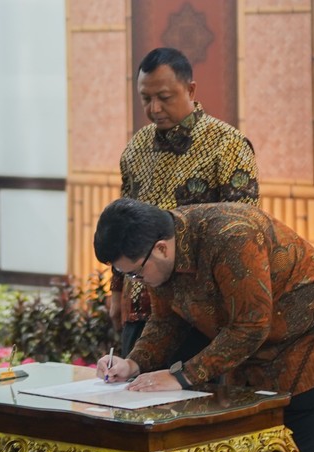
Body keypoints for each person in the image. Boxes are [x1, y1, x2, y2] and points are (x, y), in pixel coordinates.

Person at [94, 198, 314, 452]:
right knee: (248, 450)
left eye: (136, 274)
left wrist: (181, 376)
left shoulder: (233, 236)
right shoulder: (159, 253)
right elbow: (166, 320)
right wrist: (133, 363)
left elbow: (250, 326)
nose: (137, 281)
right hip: (253, 350)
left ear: (161, 249)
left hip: (310, 337)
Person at [110, 47, 259, 359]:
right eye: (146, 98)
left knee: (191, 388)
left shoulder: (227, 145)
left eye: (164, 97)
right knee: (133, 385)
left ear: (190, 90)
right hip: (142, 306)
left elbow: (245, 233)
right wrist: (117, 289)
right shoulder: (136, 148)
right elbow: (125, 227)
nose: (154, 108)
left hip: (200, 313)